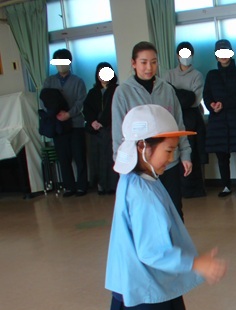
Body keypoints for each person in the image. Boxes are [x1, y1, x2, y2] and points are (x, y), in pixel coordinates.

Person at [105, 104, 227, 310]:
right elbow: (151, 251)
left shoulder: (141, 178)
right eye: (168, 151)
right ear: (143, 147)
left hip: (154, 283)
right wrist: (195, 263)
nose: (171, 159)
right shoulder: (141, 191)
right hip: (145, 285)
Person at [112, 41, 192, 219]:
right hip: (140, 167)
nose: (149, 67)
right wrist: (121, 164)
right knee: (147, 214)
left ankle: (175, 238)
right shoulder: (123, 93)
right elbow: (118, 134)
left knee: (174, 211)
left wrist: (185, 154)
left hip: (168, 163)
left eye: (154, 62)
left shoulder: (167, 90)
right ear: (133, 63)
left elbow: (178, 124)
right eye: (144, 62)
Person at [204, 39, 236, 198]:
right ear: (216, 55)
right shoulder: (211, 75)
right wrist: (211, 105)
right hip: (218, 120)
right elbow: (206, 95)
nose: (223, 56)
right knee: (221, 155)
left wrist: (223, 104)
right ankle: (225, 185)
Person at [163, 41, 208, 198]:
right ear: (177, 56)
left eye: (188, 54)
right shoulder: (168, 74)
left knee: (192, 153)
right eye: (182, 54)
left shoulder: (197, 75)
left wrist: (176, 93)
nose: (186, 57)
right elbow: (166, 98)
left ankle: (194, 189)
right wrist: (184, 95)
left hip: (191, 118)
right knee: (172, 152)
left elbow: (194, 100)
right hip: (172, 118)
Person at [42, 48, 87, 197]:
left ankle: (82, 186)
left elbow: (81, 102)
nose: (61, 65)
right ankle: (69, 187)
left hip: (75, 124)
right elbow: (43, 100)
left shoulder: (78, 81)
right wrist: (55, 114)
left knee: (79, 156)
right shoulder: (49, 81)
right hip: (58, 125)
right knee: (63, 157)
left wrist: (69, 114)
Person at [84, 62, 118, 195]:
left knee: (111, 157)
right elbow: (87, 109)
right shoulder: (92, 92)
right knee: (98, 158)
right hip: (96, 131)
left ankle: (113, 185)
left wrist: (103, 122)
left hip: (111, 129)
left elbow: (114, 109)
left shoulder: (117, 90)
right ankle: (101, 185)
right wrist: (93, 122)